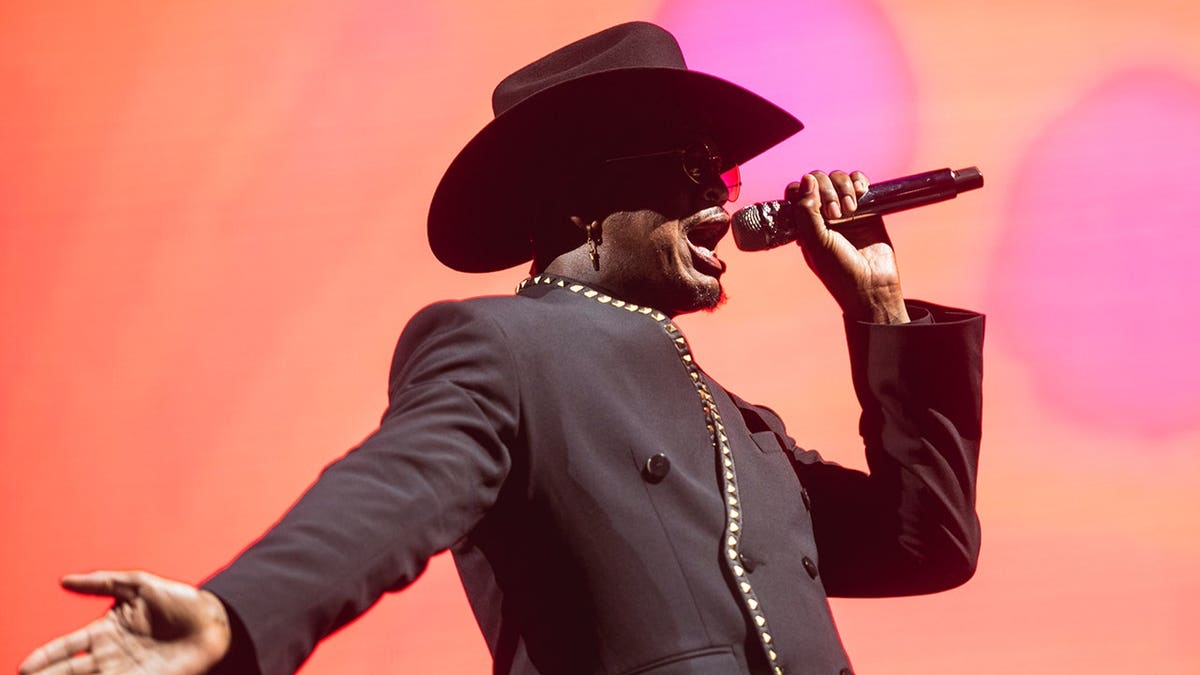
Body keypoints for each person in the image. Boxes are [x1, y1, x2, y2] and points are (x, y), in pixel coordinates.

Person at [18, 21, 983, 675]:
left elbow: (929, 543)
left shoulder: (745, 432)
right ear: (578, 202)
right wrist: (235, 618)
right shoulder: (501, 348)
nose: (721, 201)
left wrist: (880, 307)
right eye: (687, 172)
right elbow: (391, 493)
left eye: (721, 172)